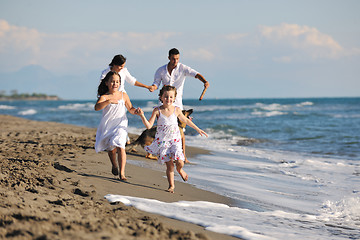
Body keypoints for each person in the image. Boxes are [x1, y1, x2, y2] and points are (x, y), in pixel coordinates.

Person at [138, 85, 208, 193]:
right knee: (169, 165)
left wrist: (198, 129)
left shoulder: (176, 110)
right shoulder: (157, 110)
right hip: (163, 142)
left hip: (175, 140)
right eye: (166, 97)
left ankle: (180, 170)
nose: (168, 99)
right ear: (161, 97)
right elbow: (148, 126)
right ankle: (171, 186)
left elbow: (186, 120)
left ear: (174, 98)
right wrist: (142, 115)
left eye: (171, 97)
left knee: (180, 161)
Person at [149, 48, 209, 163]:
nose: (175, 61)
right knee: (161, 128)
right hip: (164, 103)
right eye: (173, 59)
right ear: (169, 58)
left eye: (177, 59)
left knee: (180, 130)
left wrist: (204, 81)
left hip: (177, 105)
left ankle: (183, 156)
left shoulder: (183, 68)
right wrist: (153, 87)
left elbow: (195, 74)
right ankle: (158, 152)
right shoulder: (160, 70)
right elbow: (156, 83)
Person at [94, 71, 141, 181]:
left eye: (117, 82)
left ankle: (122, 173)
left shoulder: (123, 95)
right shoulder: (104, 97)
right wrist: (108, 101)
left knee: (120, 145)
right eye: (112, 81)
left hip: (121, 125)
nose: (115, 84)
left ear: (120, 83)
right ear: (107, 83)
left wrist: (136, 111)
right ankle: (114, 165)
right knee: (111, 149)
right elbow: (97, 107)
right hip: (108, 126)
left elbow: (130, 108)